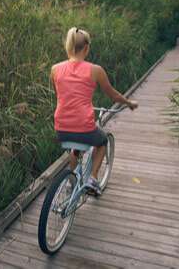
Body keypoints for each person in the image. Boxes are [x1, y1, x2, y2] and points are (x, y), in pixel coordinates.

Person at [51, 27, 138, 196]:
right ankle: (93, 178)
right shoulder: (95, 70)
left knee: (75, 148)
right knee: (102, 141)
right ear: (86, 48)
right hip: (83, 126)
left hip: (61, 127)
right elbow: (113, 95)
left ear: (69, 46)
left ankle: (72, 182)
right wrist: (128, 103)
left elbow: (62, 97)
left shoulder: (55, 69)